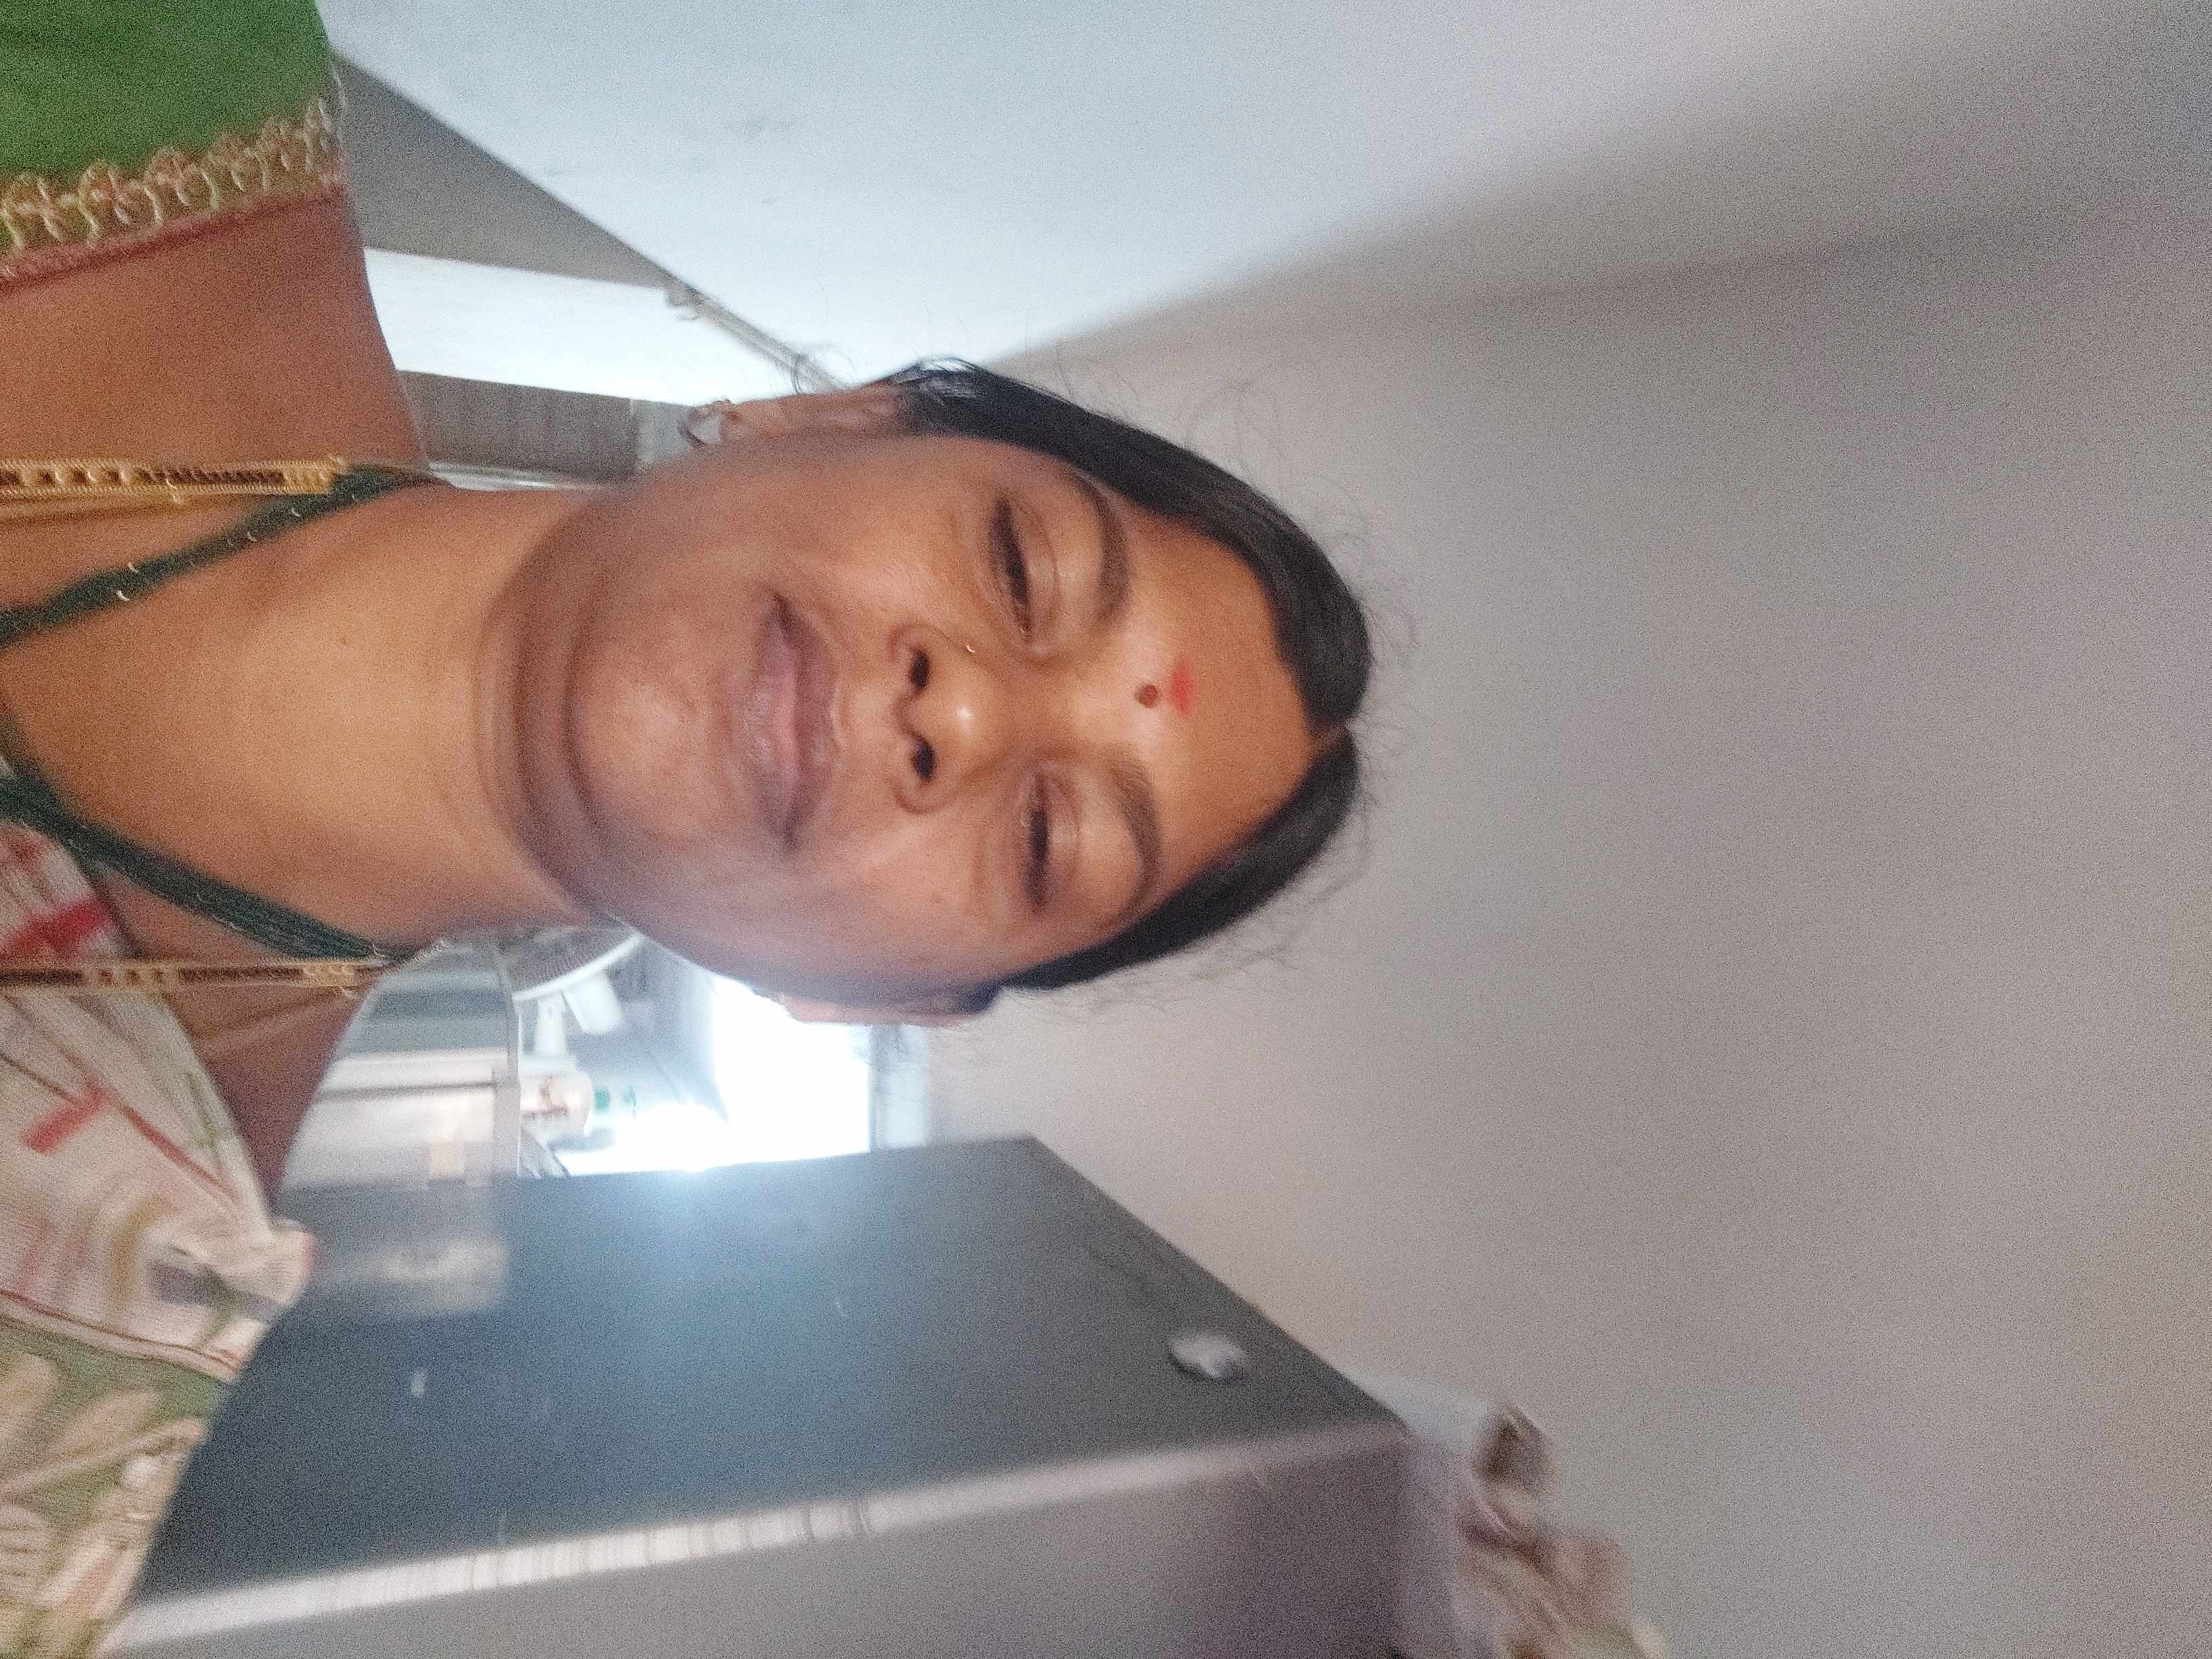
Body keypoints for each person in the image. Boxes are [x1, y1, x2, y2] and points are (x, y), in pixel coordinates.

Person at [1, 0, 1370, 1647]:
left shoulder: (65, 1370)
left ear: (867, 1003)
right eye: (1021, 567)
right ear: (832, 417)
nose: (962, 717)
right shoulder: (145, 62)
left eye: (1044, 842)